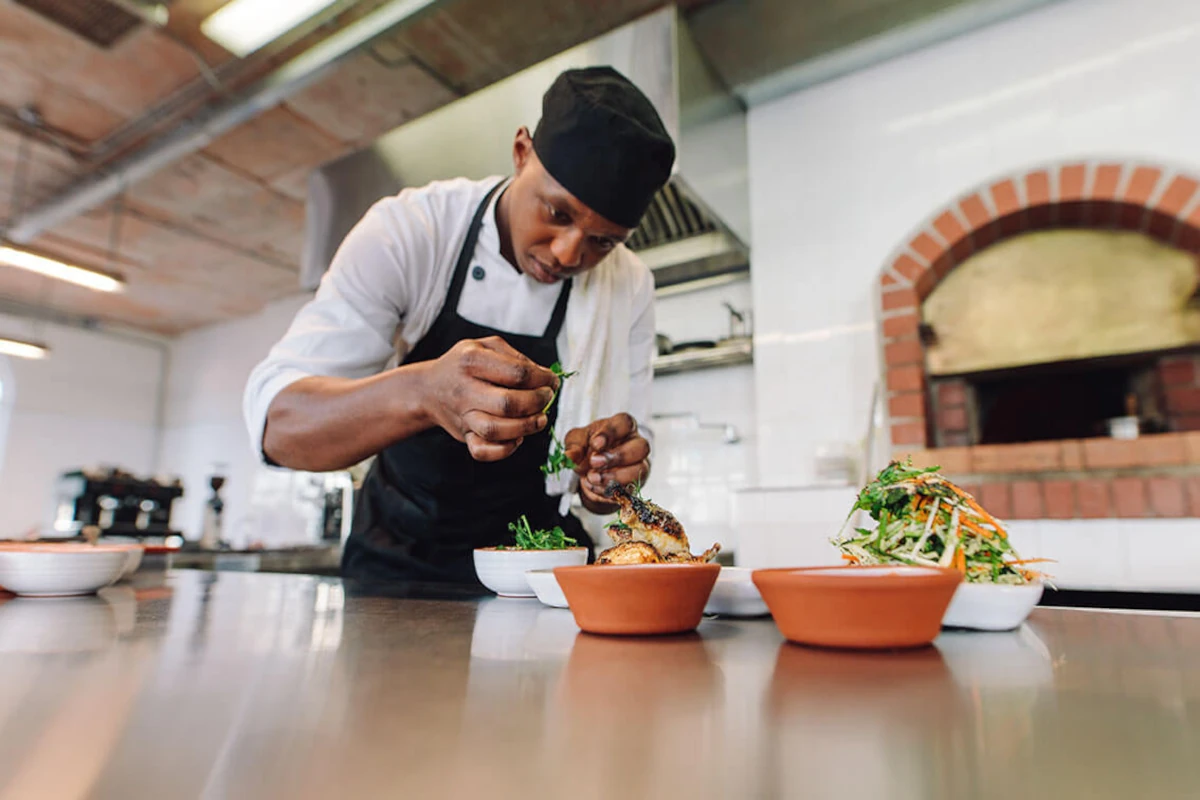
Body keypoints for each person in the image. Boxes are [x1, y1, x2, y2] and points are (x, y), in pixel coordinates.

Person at [243, 66, 675, 586]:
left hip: (542, 571)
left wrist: (610, 475)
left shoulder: (628, 286)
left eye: (603, 241)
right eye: (556, 213)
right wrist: (424, 392)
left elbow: (625, 458)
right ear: (521, 152)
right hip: (399, 567)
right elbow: (279, 426)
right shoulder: (411, 232)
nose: (568, 253)